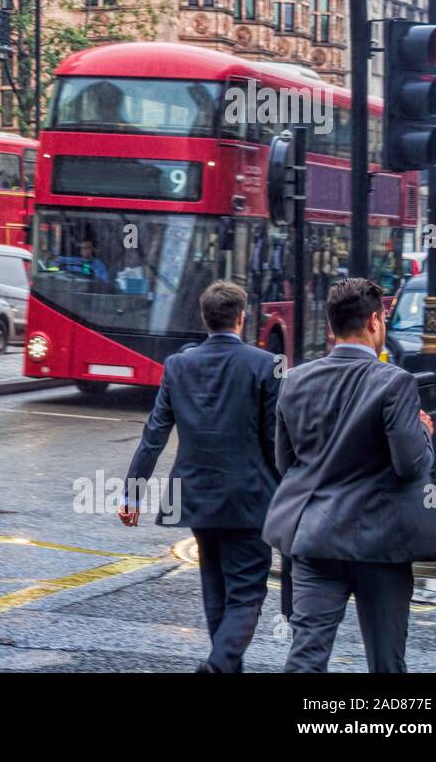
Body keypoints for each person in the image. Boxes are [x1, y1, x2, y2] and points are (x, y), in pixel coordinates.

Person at [264, 278, 436, 673]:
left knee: (307, 655)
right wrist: (425, 435)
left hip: (314, 538)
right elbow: (411, 466)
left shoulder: (294, 380)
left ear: (330, 327)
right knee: (385, 661)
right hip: (381, 544)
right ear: (375, 321)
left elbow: (286, 464)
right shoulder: (395, 382)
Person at [120, 280, 281, 672]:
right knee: (245, 595)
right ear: (241, 318)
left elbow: (154, 435)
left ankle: (226, 666)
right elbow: (276, 440)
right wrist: (294, 492)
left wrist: (132, 494)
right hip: (249, 498)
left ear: (205, 318)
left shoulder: (178, 365)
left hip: (192, 495)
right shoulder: (264, 365)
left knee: (215, 585)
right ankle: (218, 665)